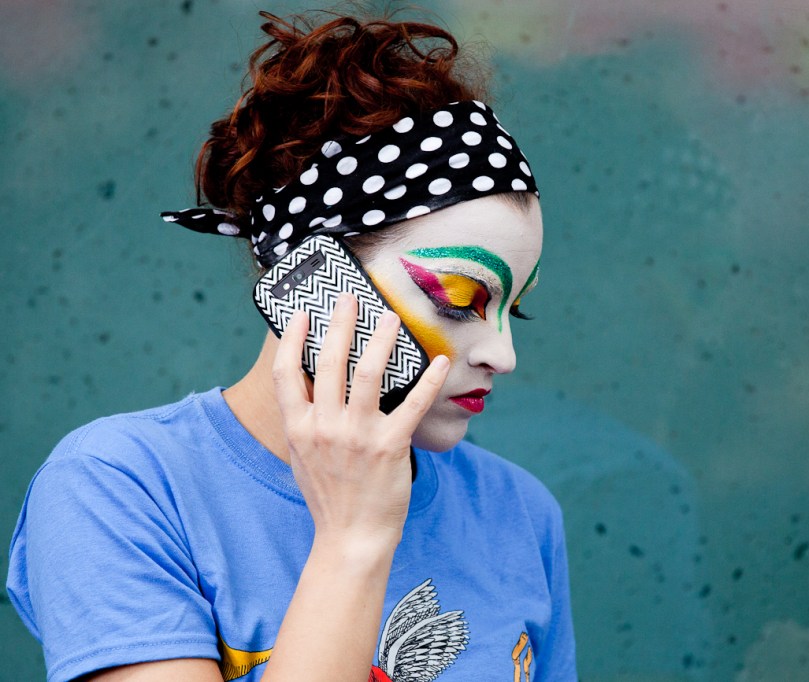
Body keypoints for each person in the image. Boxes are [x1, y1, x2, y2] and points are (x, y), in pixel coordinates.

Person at [6, 9, 577, 682]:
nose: (501, 354)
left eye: (516, 309)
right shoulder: (121, 487)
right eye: (458, 298)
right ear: (312, 276)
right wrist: (353, 540)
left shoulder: (517, 514)